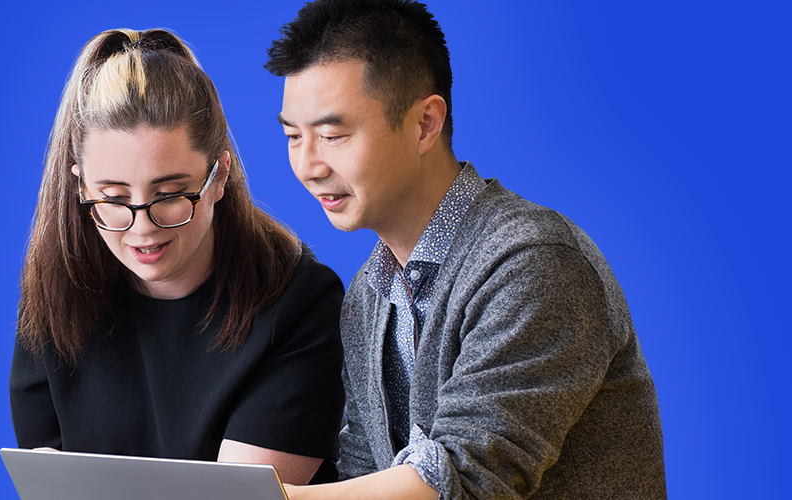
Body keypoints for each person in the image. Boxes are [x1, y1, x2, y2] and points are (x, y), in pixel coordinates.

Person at [262, 1, 667, 498]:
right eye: (292, 136)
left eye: (332, 135)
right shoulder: (370, 293)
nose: (307, 165)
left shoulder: (533, 263)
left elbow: (465, 480)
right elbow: (363, 476)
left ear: (426, 124)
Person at [9, 28, 348, 486]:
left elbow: (234, 499)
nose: (142, 227)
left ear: (219, 175)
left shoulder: (301, 302)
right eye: (113, 196)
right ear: (80, 186)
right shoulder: (55, 295)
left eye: (169, 194)